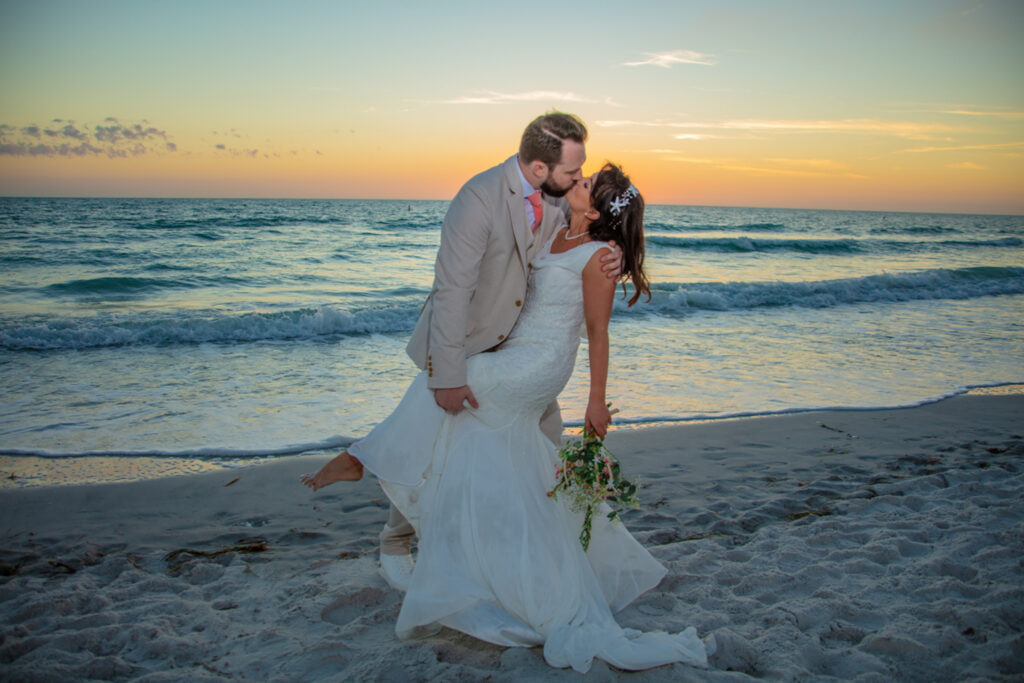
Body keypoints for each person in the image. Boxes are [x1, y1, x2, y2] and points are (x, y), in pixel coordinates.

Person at [302, 164, 709, 673]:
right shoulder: (557, 224)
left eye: (586, 186)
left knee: (460, 381)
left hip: (538, 365)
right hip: (511, 348)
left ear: (599, 208)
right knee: (474, 436)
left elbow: (599, 336)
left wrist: (596, 402)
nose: (575, 184)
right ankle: (413, 505)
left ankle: (367, 459)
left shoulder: (600, 257)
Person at [304, 112, 621, 588]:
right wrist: (447, 374)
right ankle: (397, 532)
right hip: (477, 342)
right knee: (455, 435)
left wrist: (615, 251)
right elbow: (452, 288)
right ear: (539, 168)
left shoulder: (559, 202)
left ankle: (376, 468)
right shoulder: (479, 198)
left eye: (582, 173)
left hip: (525, 355)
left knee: (522, 459)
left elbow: (585, 248)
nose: (579, 178)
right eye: (573, 172)